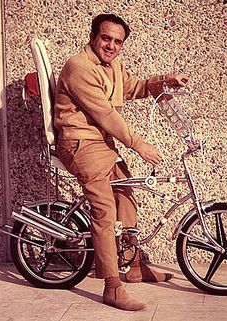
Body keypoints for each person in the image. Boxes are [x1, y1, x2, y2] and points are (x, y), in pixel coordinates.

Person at [54, 13, 189, 311]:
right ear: (93, 37)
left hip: (101, 144)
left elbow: (132, 87)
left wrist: (164, 81)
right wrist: (140, 145)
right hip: (79, 143)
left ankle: (133, 265)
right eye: (106, 38)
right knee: (105, 210)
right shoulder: (79, 67)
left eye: (118, 41)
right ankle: (112, 287)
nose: (111, 45)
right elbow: (106, 114)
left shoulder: (113, 66)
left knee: (126, 196)